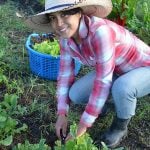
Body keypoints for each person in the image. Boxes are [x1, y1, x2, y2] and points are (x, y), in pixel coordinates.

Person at [25, 0, 150, 148]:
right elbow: (65, 75)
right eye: (53, 17)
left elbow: (103, 81)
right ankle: (104, 106)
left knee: (122, 88)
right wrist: (62, 113)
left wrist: (81, 127)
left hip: (143, 67)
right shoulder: (66, 39)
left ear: (79, 13)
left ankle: (120, 126)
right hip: (116, 69)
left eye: (64, 14)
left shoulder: (100, 32)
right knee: (76, 94)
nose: (59, 23)